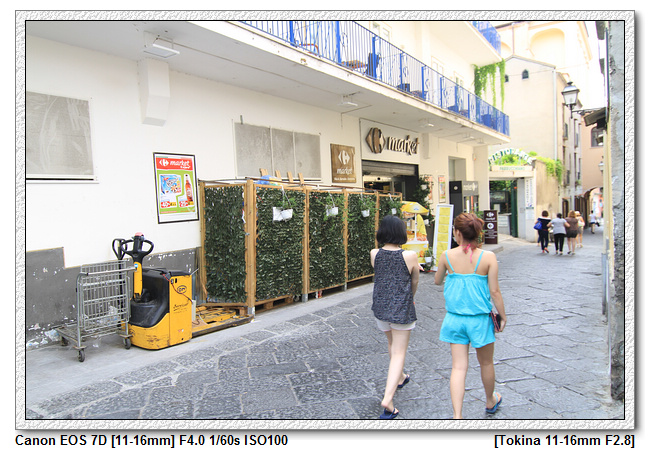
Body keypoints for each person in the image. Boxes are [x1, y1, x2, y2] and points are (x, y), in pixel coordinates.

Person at [434, 213, 507, 419]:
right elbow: (495, 292)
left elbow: (437, 281)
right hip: (480, 320)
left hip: (455, 319)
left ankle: (457, 415)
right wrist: (503, 316)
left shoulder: (446, 256)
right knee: (486, 363)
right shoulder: (488, 257)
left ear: (457, 233)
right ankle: (490, 400)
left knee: (458, 368)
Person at [370, 215, 420, 420]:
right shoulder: (410, 256)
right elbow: (414, 281)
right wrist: (410, 298)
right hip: (401, 309)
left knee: (391, 344)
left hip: (380, 307)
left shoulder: (374, 253)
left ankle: (400, 377)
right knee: (399, 352)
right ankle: (388, 399)